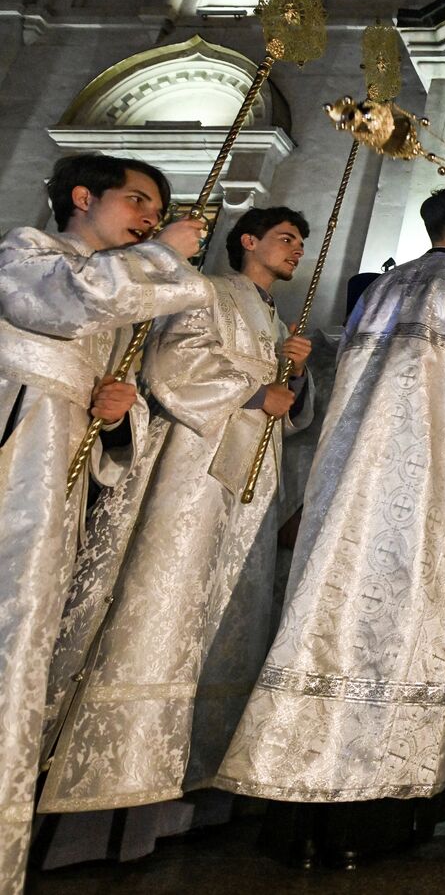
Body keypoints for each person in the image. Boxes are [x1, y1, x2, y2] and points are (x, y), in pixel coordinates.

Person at [214, 189, 445, 868]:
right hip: (432, 489)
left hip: (351, 485)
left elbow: (342, 377)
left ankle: (303, 823)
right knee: (408, 633)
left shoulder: (379, 291)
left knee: (333, 624)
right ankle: (383, 819)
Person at [39, 207, 316, 822]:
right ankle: (116, 791)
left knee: (226, 613)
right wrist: (253, 391)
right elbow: (172, 365)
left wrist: (293, 371)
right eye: (286, 238)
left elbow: (289, 411)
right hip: (191, 470)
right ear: (248, 240)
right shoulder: (207, 291)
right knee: (167, 601)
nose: (297, 250)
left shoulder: (273, 317)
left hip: (248, 479)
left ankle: (194, 786)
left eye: (301, 242)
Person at [0, 153, 211, 887]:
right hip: (14, 458)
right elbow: (52, 305)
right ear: (83, 197)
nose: (150, 216)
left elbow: (119, 425)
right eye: (138, 201)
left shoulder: (116, 306)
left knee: (23, 649)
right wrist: (159, 256)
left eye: (156, 209)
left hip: (57, 494)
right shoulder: (28, 252)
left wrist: (117, 420)